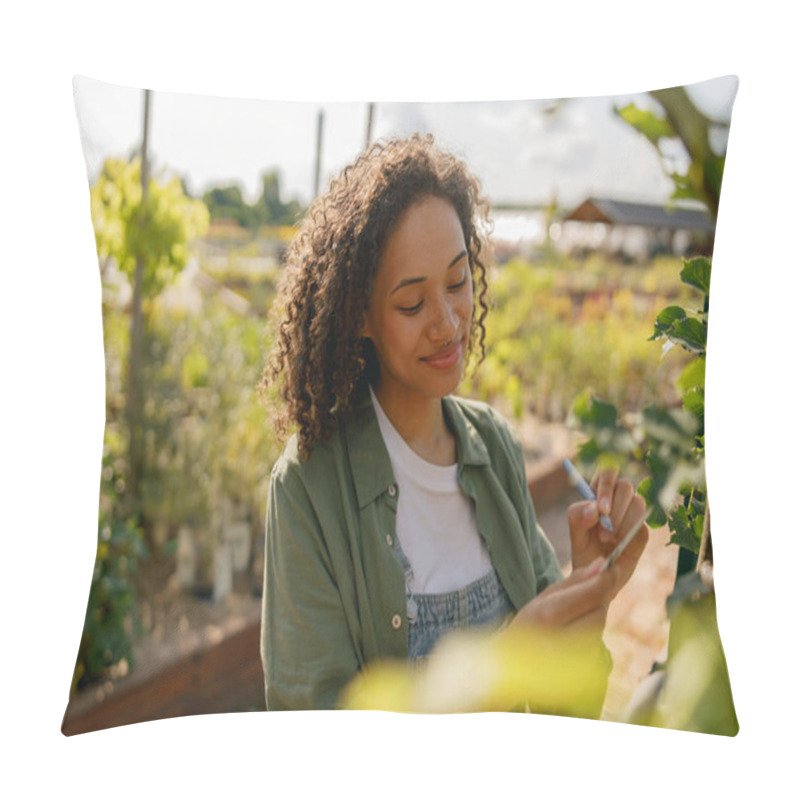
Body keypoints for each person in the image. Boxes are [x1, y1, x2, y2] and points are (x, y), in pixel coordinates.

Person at [259, 134, 648, 712]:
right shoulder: (309, 488)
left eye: (458, 280)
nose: (446, 324)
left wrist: (589, 582)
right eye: (411, 304)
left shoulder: (492, 443)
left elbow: (567, 707)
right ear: (359, 316)